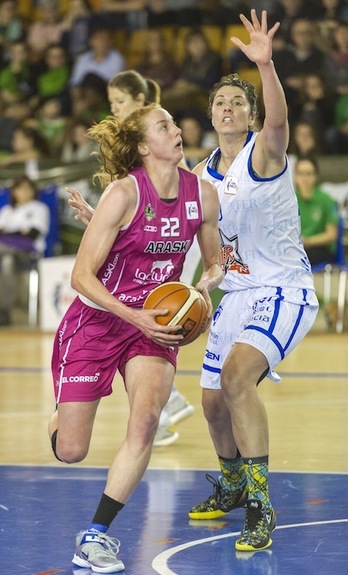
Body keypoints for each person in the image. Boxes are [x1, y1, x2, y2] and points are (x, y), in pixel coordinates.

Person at [48, 103, 223, 573]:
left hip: (158, 325)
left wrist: (207, 282)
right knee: (71, 450)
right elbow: (82, 277)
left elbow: (214, 259)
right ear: (144, 146)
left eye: (174, 122)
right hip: (99, 318)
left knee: (146, 421)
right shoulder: (124, 194)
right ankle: (60, 414)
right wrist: (132, 314)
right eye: (163, 126)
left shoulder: (202, 196)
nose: (177, 129)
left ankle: (96, 534)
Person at [187, 9, 319, 553]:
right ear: (211, 115)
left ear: (249, 114)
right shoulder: (200, 174)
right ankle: (236, 484)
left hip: (284, 289)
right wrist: (201, 283)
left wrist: (265, 66)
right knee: (212, 402)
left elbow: (280, 123)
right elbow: (209, 248)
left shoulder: (265, 153)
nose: (228, 108)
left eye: (238, 102)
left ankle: (263, 508)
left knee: (239, 378)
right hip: (237, 293)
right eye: (220, 102)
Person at [67, 69, 199, 447]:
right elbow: (136, 224)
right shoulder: (134, 169)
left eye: (119, 103)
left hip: (170, 263)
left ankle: (163, 408)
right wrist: (99, 222)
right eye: (111, 104)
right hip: (146, 264)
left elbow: (174, 216)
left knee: (149, 327)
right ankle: (163, 408)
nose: (114, 110)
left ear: (141, 105)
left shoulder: (170, 159)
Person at [0, 175, 50, 325]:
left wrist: (10, 232)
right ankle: (4, 311)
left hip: (29, 253)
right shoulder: (7, 211)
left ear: (33, 191)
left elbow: (33, 234)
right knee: (7, 262)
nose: (24, 192)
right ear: (14, 191)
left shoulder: (40, 208)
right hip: (7, 254)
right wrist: (19, 231)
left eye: (28, 189)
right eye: (20, 189)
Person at [294, 156, 339, 266]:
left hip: (320, 248)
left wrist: (308, 241)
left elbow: (332, 235)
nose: (305, 178)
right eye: (301, 174)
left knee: (300, 258)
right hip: (295, 247)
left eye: (309, 174)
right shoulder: (290, 200)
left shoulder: (325, 200)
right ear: (295, 177)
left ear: (316, 176)